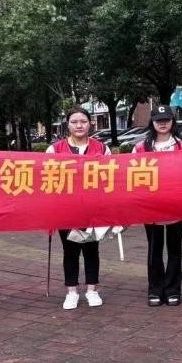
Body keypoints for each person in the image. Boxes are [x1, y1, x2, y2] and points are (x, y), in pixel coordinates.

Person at [48, 107, 112, 310]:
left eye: (83, 121)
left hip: (93, 208)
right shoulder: (54, 149)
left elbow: (110, 177)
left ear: (90, 123)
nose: (79, 125)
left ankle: (92, 290)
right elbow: (46, 178)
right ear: (67, 124)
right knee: (70, 250)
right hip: (65, 209)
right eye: (74, 122)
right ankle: (72, 292)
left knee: (92, 249)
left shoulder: (102, 148)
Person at [133, 106, 182, 307]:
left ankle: (173, 289)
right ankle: (155, 290)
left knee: (174, 249)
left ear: (173, 121)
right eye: (159, 120)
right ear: (152, 122)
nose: (163, 123)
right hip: (151, 206)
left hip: (176, 205)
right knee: (154, 249)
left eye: (166, 119)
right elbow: (132, 176)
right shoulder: (140, 147)